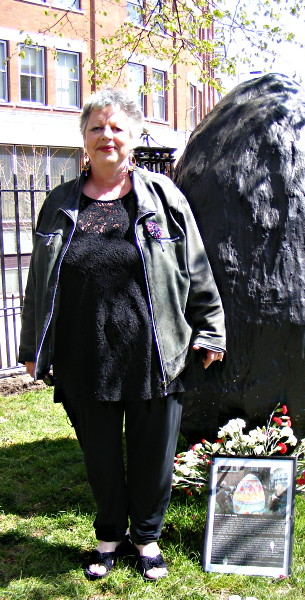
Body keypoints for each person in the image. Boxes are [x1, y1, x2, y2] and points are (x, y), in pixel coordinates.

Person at [18, 88, 226, 581]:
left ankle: (147, 537)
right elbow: (40, 281)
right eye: (96, 128)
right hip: (83, 351)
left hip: (155, 348)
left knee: (155, 453)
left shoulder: (162, 197)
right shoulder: (59, 204)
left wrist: (211, 330)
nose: (106, 136)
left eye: (116, 128)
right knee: (102, 453)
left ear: (133, 137)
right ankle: (109, 534)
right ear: (84, 140)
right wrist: (33, 348)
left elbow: (195, 266)